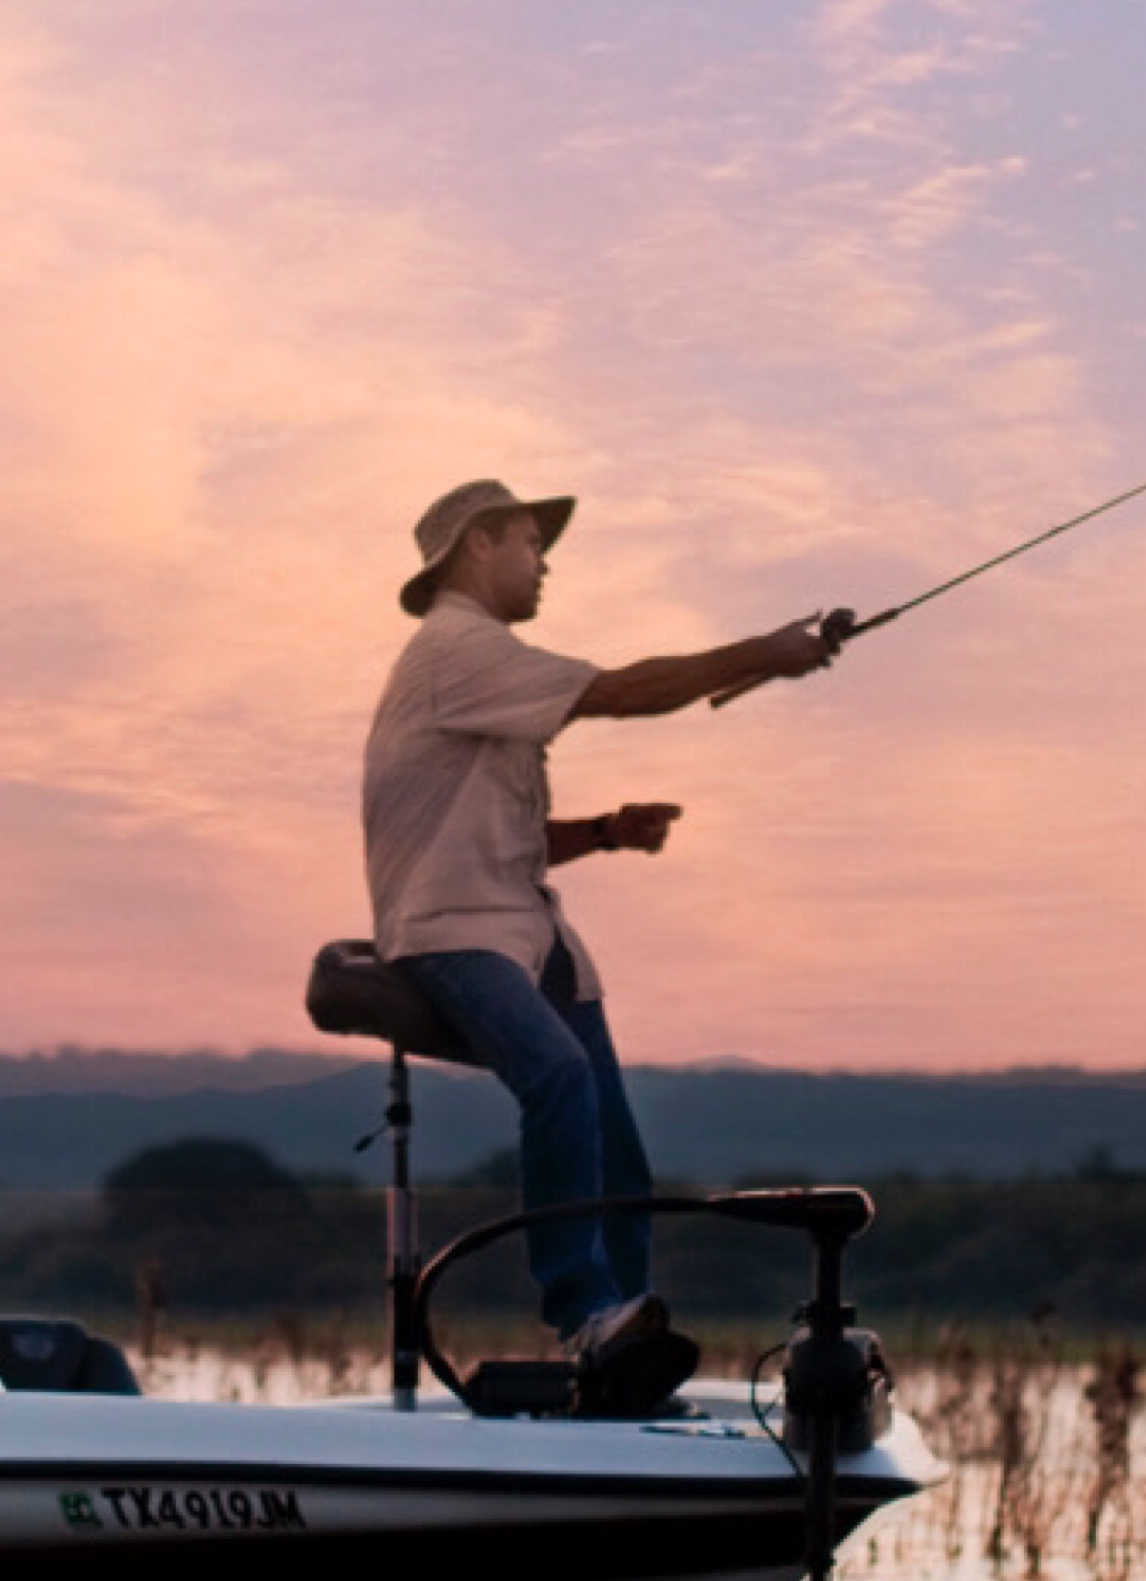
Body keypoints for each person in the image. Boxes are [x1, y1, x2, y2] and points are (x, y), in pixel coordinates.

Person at [362, 478, 844, 1412]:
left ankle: (623, 1334)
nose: (547, 563)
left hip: (525, 930)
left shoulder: (484, 674)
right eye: (534, 545)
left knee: (618, 1143)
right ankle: (585, 1313)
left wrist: (610, 833)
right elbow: (623, 691)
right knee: (558, 1078)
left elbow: (507, 840)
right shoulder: (456, 650)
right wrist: (767, 654)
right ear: (479, 547)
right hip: (454, 933)